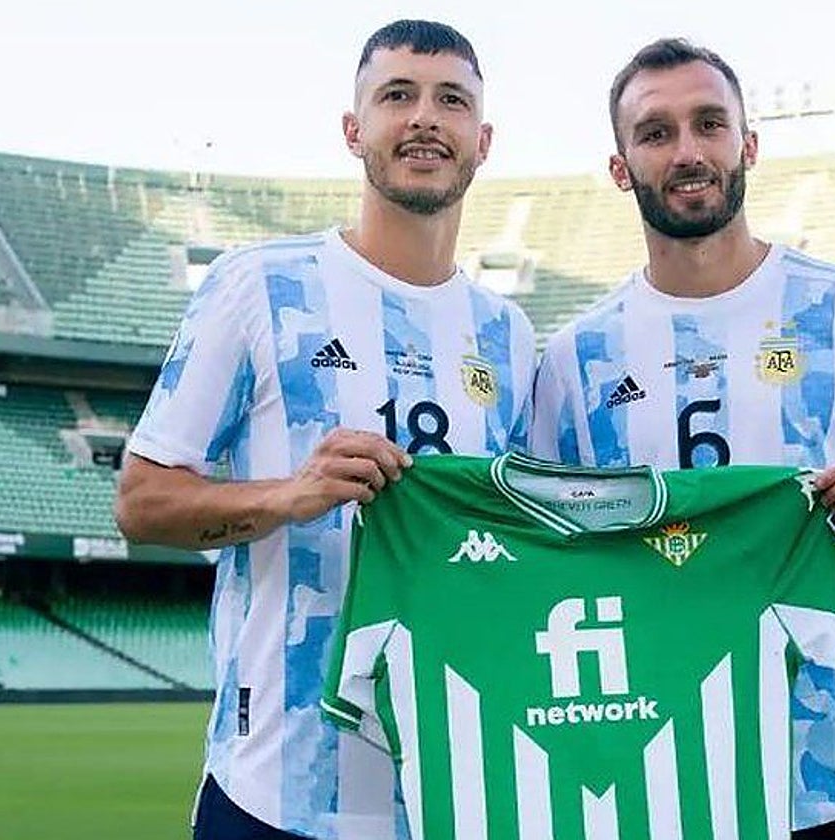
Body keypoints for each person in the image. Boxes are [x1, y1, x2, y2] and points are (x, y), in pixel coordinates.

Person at [530, 38, 835, 840]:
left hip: (830, 776)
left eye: (709, 123)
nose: (688, 151)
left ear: (749, 145)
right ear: (621, 165)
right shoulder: (574, 360)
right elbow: (546, 568)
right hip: (652, 775)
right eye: (656, 133)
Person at [115, 20, 536, 840]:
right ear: (354, 129)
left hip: (451, 793)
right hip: (277, 792)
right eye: (397, 95)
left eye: (451, 100)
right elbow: (139, 503)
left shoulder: (509, 335)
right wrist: (290, 495)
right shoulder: (258, 287)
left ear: (482, 140)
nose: (424, 117)